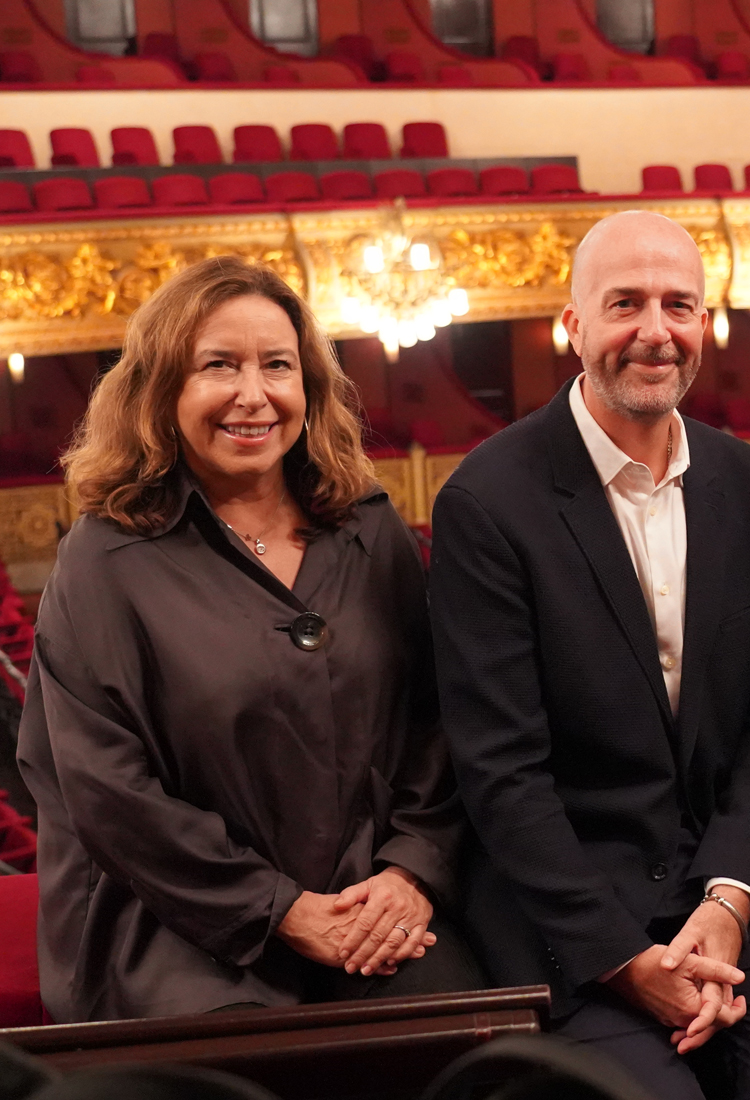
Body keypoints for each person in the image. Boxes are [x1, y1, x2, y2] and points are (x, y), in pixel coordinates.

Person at [428, 211, 750, 1100]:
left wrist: (731, 901)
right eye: (625, 304)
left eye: (680, 306)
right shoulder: (487, 502)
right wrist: (625, 958)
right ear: (573, 324)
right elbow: (501, 771)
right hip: (572, 901)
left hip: (731, 875)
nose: (655, 332)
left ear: (707, 324)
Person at [19, 257, 479, 1022]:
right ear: (163, 390)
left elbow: (436, 722)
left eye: (277, 366)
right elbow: (107, 790)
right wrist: (281, 909)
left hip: (368, 901)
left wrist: (410, 871)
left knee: (476, 1041)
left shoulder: (368, 524)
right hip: (179, 925)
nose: (254, 395)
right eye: (218, 366)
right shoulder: (106, 555)